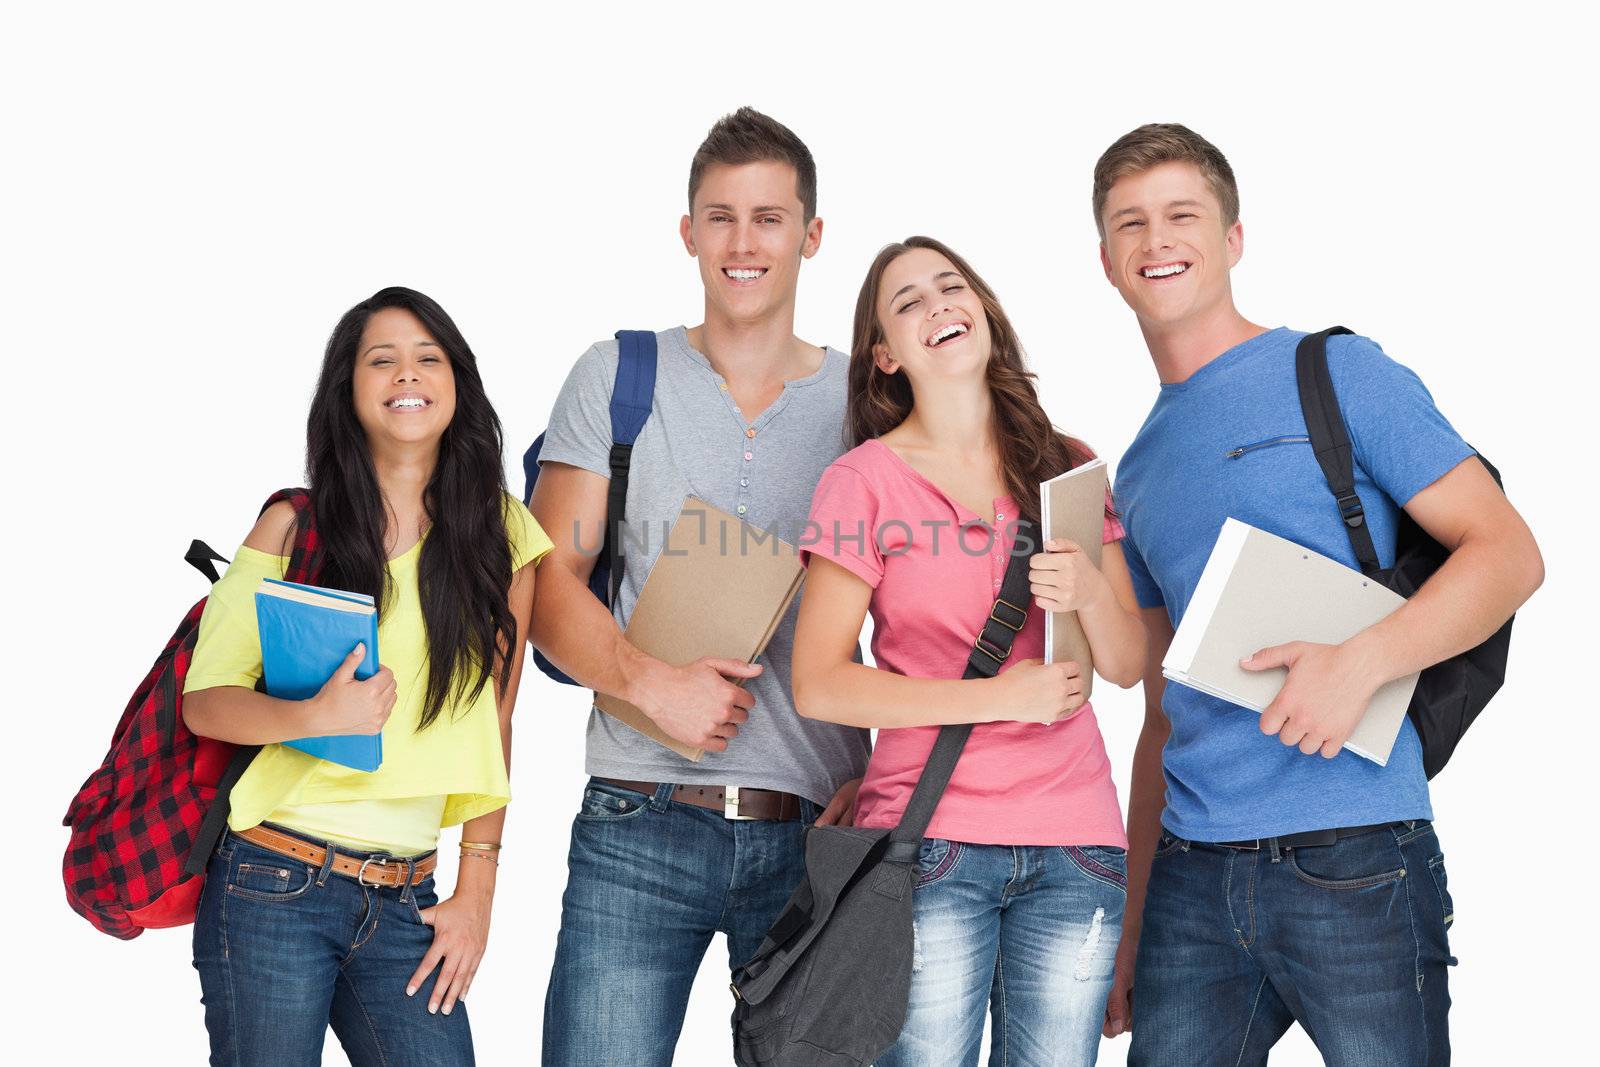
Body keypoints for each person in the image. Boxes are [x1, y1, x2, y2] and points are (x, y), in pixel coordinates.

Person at [1092, 124, 1544, 1066]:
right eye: (1129, 223)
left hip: (1361, 854)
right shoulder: (1134, 470)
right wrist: (1135, 919)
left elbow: (1508, 553)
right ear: (1106, 261)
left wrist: (1364, 661)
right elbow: (1157, 711)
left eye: (1182, 214)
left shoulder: (1336, 374)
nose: (1156, 239)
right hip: (1190, 880)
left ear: (1233, 239)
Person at [530, 108, 871, 1066]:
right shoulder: (617, 377)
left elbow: (928, 607)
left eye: (769, 218)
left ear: (811, 236)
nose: (743, 241)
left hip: (815, 830)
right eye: (719, 216)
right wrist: (650, 683)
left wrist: (883, 781)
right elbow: (547, 584)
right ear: (688, 233)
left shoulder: (868, 407)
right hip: (637, 818)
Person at [792, 235, 1148, 1067]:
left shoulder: (1067, 466)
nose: (937, 305)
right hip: (930, 842)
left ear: (984, 311)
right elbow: (819, 683)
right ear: (884, 354)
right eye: (907, 301)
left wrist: (1090, 592)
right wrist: (998, 697)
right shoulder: (863, 481)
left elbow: (1129, 664)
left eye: (951, 287)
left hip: (1077, 843)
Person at [181, 286, 549, 1065]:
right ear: (348, 390)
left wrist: (476, 889)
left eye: (427, 357)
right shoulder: (292, 526)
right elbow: (206, 703)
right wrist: (313, 715)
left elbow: (499, 720)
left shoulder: (503, 534)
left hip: (407, 899)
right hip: (271, 879)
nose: (406, 375)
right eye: (381, 360)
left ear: (458, 381)